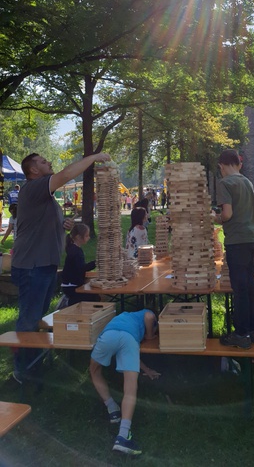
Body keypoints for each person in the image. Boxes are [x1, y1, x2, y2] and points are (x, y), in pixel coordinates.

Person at [11, 151, 110, 382]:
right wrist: (93, 158)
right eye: (43, 161)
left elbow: (39, 223)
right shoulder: (34, 187)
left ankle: (33, 362)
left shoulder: (44, 196)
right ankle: (22, 370)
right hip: (32, 266)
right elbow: (66, 174)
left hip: (44, 266)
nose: (49, 162)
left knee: (36, 316)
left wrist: (62, 224)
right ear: (33, 170)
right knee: (29, 318)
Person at [90, 309, 161, 455]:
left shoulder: (126, 316)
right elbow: (149, 316)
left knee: (94, 370)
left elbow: (122, 339)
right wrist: (150, 335)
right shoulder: (147, 312)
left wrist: (146, 369)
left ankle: (112, 409)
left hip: (109, 335)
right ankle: (123, 436)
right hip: (129, 339)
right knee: (130, 388)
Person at [214, 149, 254, 349]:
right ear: (238, 163)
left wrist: (214, 217)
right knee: (250, 286)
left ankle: (241, 334)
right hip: (251, 240)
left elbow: (227, 214)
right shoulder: (247, 182)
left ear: (221, 166)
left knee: (240, 289)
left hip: (236, 242)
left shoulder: (225, 183)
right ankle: (253, 330)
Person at [60, 223, 98, 307]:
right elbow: (82, 268)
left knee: (94, 297)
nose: (89, 237)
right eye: (86, 236)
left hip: (71, 283)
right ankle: (69, 302)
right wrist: (96, 262)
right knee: (93, 298)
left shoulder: (74, 249)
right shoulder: (76, 252)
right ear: (78, 237)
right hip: (71, 285)